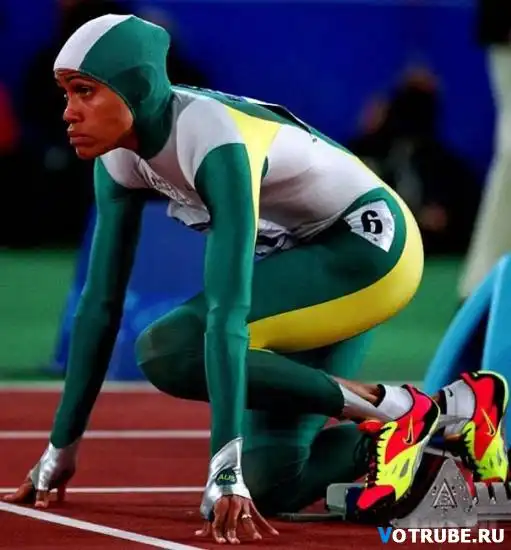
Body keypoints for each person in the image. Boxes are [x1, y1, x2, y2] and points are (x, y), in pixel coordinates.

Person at [4, 15, 509, 544]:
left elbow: (228, 313)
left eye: (84, 91)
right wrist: (61, 448)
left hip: (370, 253)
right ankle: (450, 420)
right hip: (308, 261)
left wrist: (224, 472)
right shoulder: (116, 157)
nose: (68, 111)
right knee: (274, 482)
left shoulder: (211, 138)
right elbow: (99, 304)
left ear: (139, 87)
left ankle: (409, 411)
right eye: (66, 93)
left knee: (172, 347)